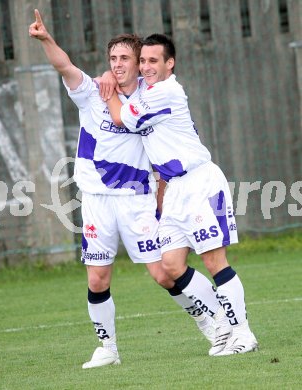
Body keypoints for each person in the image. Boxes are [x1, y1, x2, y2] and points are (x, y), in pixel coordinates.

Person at [29, 12, 228, 368]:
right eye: (113, 59)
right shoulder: (93, 91)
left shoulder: (148, 98)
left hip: (137, 199)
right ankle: (108, 348)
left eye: (125, 59)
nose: (117, 65)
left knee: (164, 272)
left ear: (139, 64)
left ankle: (212, 322)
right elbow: (65, 67)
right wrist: (46, 39)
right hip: (95, 201)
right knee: (97, 276)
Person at [104, 33, 258, 356]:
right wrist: (113, 76)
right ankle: (223, 322)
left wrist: (108, 90)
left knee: (214, 260)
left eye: (153, 61)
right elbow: (129, 90)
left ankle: (243, 334)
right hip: (174, 189)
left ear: (169, 63)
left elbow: (120, 116)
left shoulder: (166, 91)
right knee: (172, 266)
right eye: (142, 60)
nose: (146, 67)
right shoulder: (148, 91)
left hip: (200, 182)